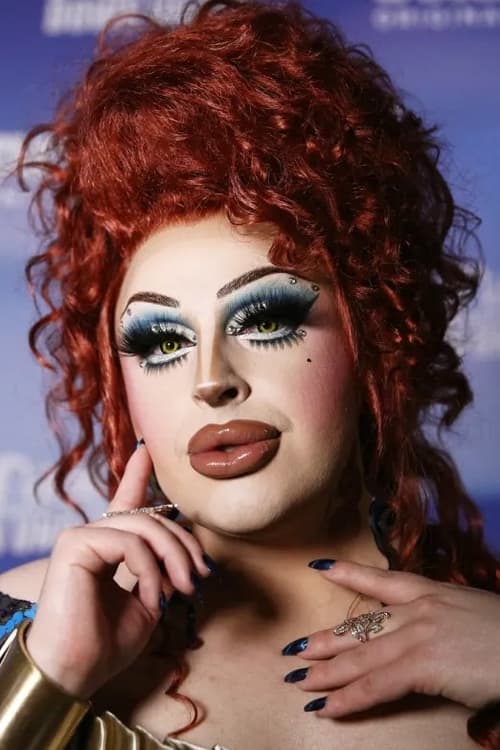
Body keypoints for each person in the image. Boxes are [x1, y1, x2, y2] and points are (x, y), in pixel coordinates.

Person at [0, 0, 499, 748]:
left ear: (371, 337)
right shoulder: (22, 627)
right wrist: (46, 678)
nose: (211, 380)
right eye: (161, 340)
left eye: (265, 320)